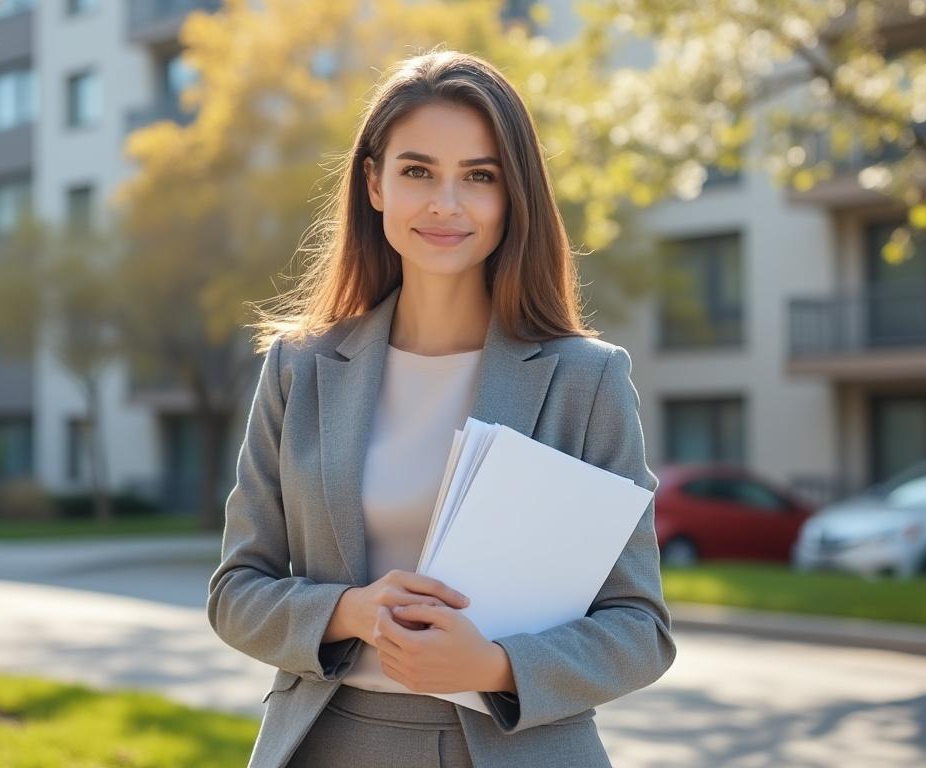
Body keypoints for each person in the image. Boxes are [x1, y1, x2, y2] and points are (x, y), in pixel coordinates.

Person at [207, 49, 676, 768]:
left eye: (479, 177)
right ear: (374, 183)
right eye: (418, 171)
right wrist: (348, 612)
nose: (445, 205)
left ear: (512, 194)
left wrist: (491, 666)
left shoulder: (587, 380)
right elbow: (237, 592)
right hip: (327, 745)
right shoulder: (299, 370)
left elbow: (640, 629)